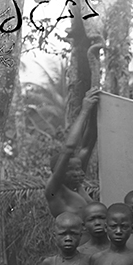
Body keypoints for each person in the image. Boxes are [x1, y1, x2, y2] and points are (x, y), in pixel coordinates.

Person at [45, 89, 99, 222]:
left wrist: (93, 112)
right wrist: (84, 111)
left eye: (78, 169)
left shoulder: (77, 187)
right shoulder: (54, 191)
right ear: (59, 172)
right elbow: (69, 149)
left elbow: (87, 145)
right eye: (71, 170)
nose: (78, 173)